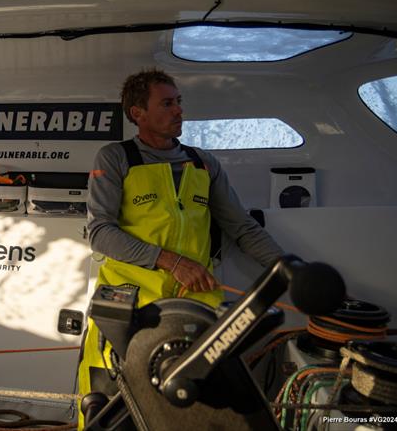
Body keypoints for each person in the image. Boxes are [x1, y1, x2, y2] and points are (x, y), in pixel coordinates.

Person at [76, 68, 284, 427]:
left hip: (194, 313)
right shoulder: (115, 158)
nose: (179, 111)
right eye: (168, 103)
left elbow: (241, 227)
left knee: (192, 417)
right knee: (109, 416)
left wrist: (289, 270)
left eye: (179, 102)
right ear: (137, 113)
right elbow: (101, 232)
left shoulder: (205, 164)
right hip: (128, 311)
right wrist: (171, 262)